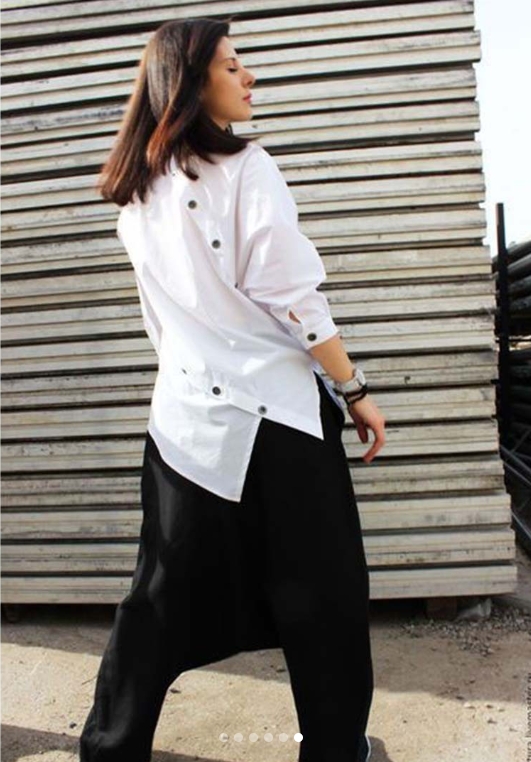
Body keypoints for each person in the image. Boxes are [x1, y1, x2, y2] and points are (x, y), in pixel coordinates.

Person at [78, 16, 386, 762]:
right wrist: (353, 388)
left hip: (186, 421)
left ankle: (112, 749)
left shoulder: (134, 195)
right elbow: (293, 297)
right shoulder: (248, 167)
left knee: (159, 594)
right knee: (324, 593)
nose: (249, 77)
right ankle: (335, 749)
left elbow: (160, 325)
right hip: (279, 420)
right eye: (231, 66)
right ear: (190, 83)